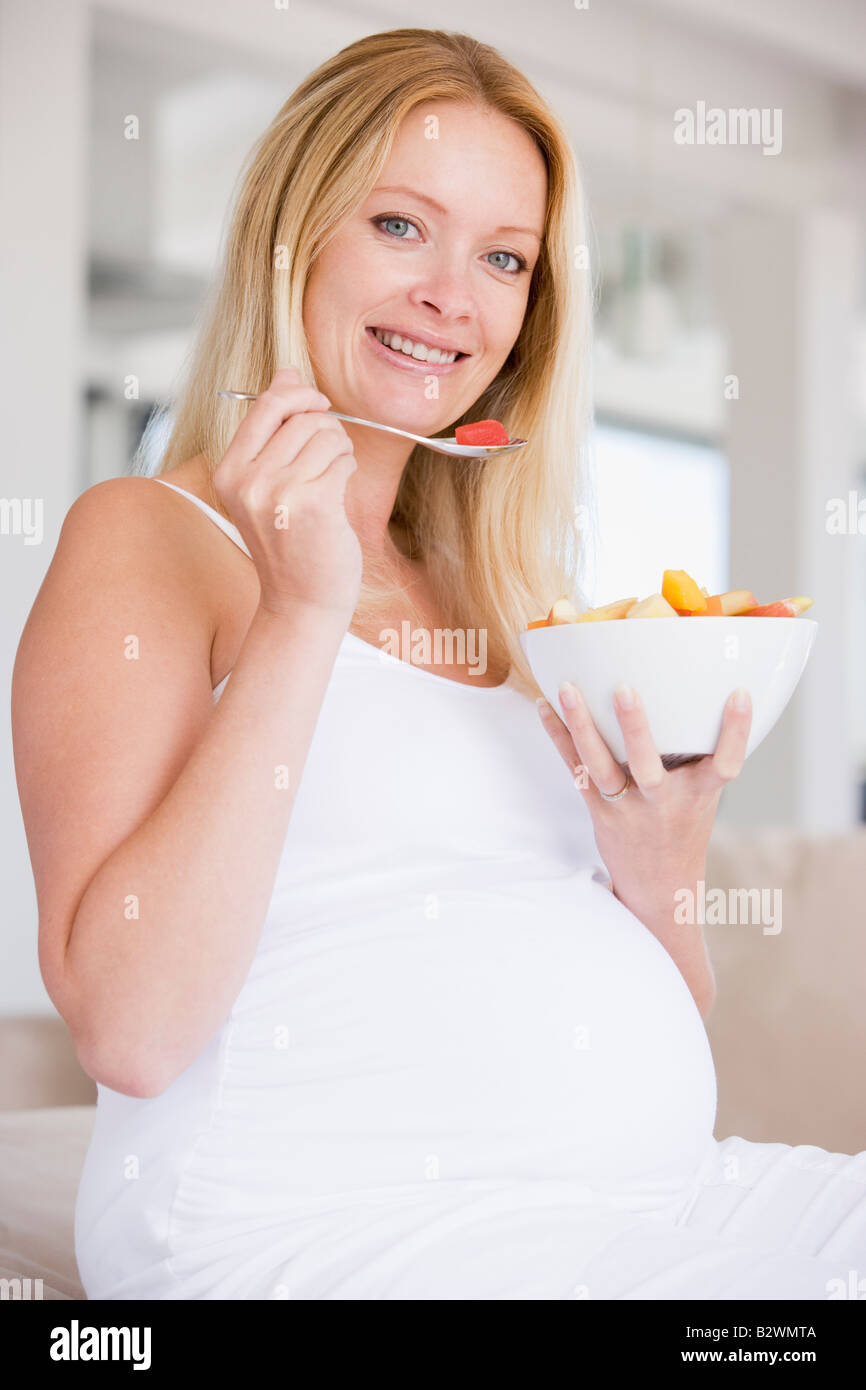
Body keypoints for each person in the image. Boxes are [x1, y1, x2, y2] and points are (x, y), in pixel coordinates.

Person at [12, 28, 866, 1300]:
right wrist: (305, 613)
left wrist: (659, 869)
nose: (450, 297)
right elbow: (128, 1030)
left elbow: (645, 1032)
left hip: (651, 1203)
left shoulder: (507, 605)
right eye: (402, 226)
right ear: (291, 234)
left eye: (502, 256)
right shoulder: (147, 538)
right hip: (336, 1232)